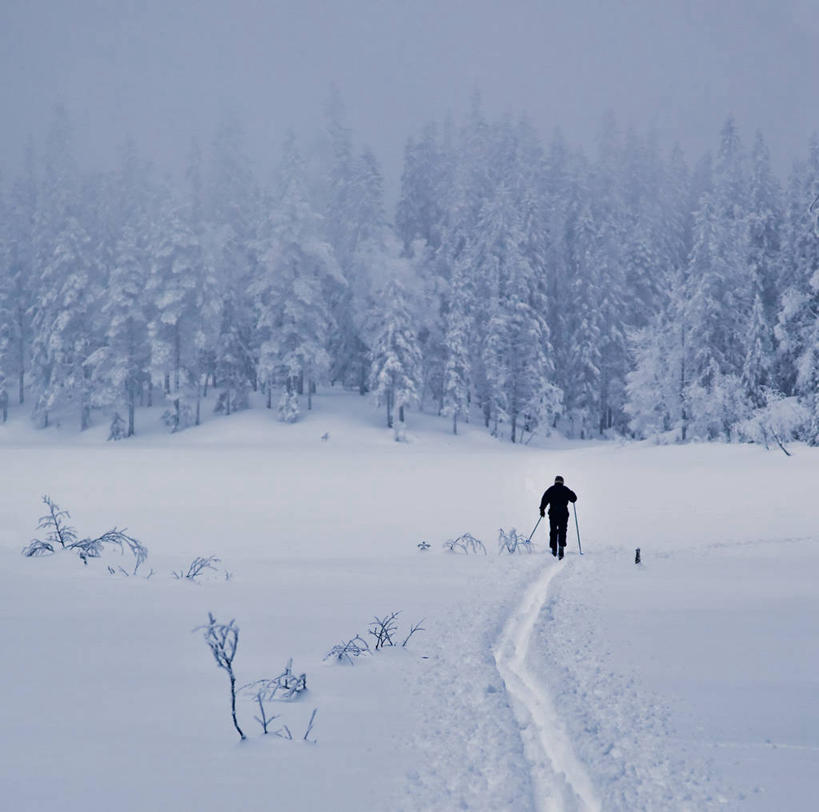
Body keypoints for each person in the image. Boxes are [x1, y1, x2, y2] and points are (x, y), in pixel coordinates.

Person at [539, 475, 577, 560]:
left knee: (553, 531)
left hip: (553, 513)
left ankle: (553, 549)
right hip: (563, 513)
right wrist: (572, 493)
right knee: (562, 530)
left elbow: (544, 499)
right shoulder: (565, 489)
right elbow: (574, 499)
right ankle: (561, 548)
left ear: (555, 481)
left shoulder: (551, 489)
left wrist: (542, 510)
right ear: (562, 482)